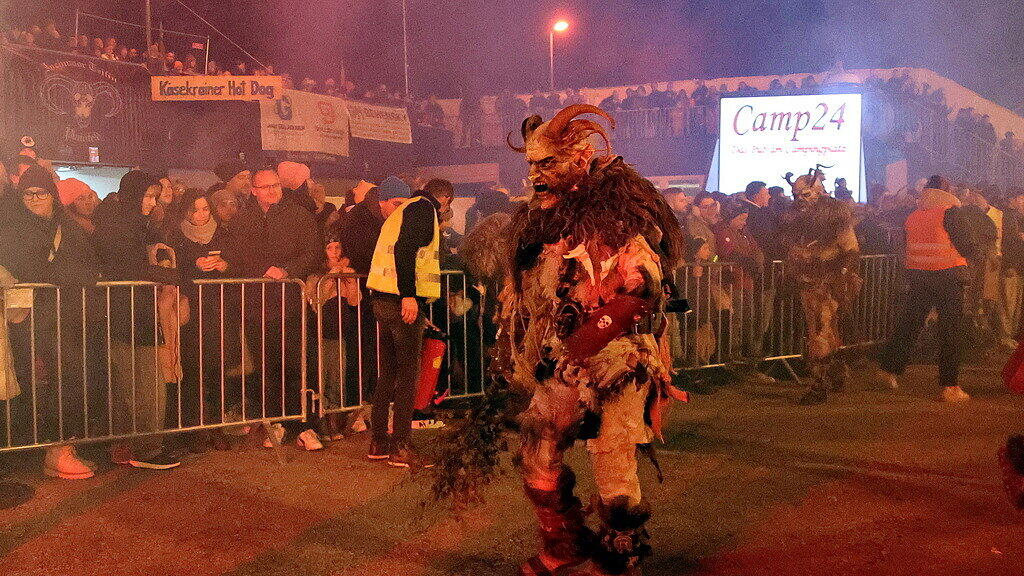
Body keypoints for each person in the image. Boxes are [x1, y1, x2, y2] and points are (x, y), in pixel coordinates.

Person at [481, 104, 685, 575]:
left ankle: (619, 558)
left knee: (612, 459)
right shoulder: (541, 221)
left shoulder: (618, 217)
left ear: (578, 158)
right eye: (531, 165)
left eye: (546, 164)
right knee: (538, 448)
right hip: (562, 361)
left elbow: (644, 289)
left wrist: (590, 342)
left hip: (619, 357)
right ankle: (564, 544)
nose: (535, 174)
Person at [0, 165, 100, 479]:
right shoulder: (12, 227)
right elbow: (25, 266)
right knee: (32, 381)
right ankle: (42, 449)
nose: (34, 199)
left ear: (52, 195)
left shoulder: (66, 226)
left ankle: (60, 448)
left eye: (41, 193)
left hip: (64, 314)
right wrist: (62, 276)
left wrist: (60, 276)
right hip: (28, 318)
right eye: (28, 194)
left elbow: (87, 264)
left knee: (69, 375)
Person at [92, 170, 182, 469]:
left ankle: (141, 445)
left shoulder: (140, 224)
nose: (151, 202)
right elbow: (124, 266)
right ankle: (141, 447)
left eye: (154, 197)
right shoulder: (117, 224)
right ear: (132, 195)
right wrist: (169, 274)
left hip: (139, 311)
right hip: (122, 312)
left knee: (144, 382)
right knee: (134, 383)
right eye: (147, 196)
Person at [231, 167, 324, 450]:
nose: (272, 190)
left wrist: (287, 270)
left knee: (299, 365)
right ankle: (277, 422)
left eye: (276, 185)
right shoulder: (243, 219)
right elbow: (237, 254)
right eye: (266, 186)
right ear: (254, 190)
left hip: (291, 303)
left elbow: (313, 251)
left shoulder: (298, 215)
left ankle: (306, 425)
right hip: (257, 305)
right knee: (267, 367)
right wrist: (262, 269)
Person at [365, 178, 453, 468]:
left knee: (388, 372)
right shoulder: (424, 209)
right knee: (407, 376)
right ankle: (401, 446)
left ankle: (379, 441)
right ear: (444, 200)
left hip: (382, 299)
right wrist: (409, 297)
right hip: (401, 302)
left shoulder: (401, 212)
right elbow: (406, 251)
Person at [877, 176, 980, 402]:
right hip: (946, 275)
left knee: (909, 325)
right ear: (947, 191)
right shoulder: (951, 213)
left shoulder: (914, 215)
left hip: (918, 275)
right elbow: (968, 246)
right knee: (950, 331)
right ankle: (950, 386)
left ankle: (888, 369)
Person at [779, 167, 861, 405]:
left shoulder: (835, 217)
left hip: (828, 283)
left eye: (806, 195)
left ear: (818, 192)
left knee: (821, 333)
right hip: (806, 281)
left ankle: (819, 385)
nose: (800, 200)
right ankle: (836, 373)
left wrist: (839, 274)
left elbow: (851, 251)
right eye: (796, 195)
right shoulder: (794, 218)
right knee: (824, 331)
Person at [166, 189, 239, 448]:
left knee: (217, 368)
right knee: (192, 370)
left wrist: (225, 266)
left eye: (205, 209)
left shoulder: (223, 234)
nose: (200, 215)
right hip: (191, 310)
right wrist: (192, 267)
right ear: (186, 211)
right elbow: (172, 269)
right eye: (195, 210)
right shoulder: (176, 237)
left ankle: (216, 425)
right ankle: (194, 428)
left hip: (218, 310)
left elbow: (237, 263)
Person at [305, 235, 362, 439]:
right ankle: (320, 421)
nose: (335, 253)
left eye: (338, 248)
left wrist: (349, 280)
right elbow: (315, 302)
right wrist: (331, 277)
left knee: (337, 377)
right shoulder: (316, 276)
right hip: (320, 333)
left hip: (340, 332)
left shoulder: (347, 273)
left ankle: (334, 420)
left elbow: (355, 302)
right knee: (321, 376)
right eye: (330, 248)